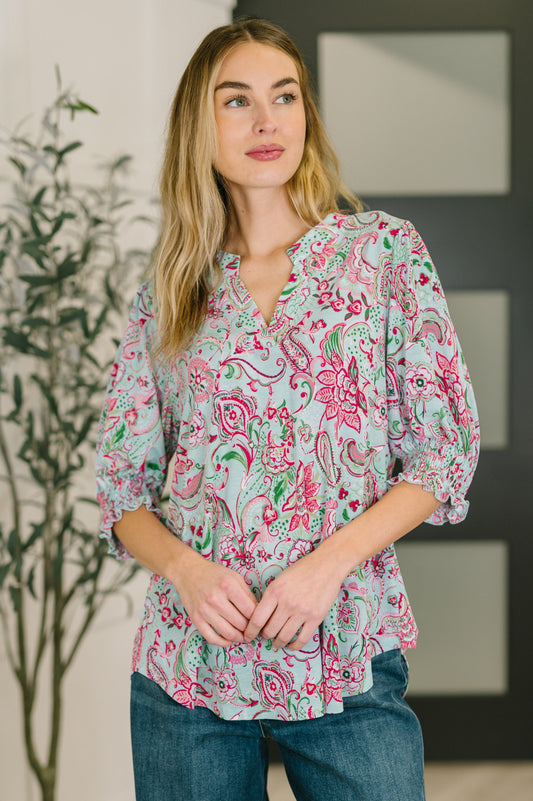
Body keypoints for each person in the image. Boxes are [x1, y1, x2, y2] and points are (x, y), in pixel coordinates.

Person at [95, 17, 479, 801]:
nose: (267, 120)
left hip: (343, 657)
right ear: (197, 126)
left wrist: (324, 568)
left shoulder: (381, 254)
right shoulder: (170, 292)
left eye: (285, 96)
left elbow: (444, 451)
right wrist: (186, 570)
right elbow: (122, 489)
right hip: (190, 675)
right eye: (236, 100)